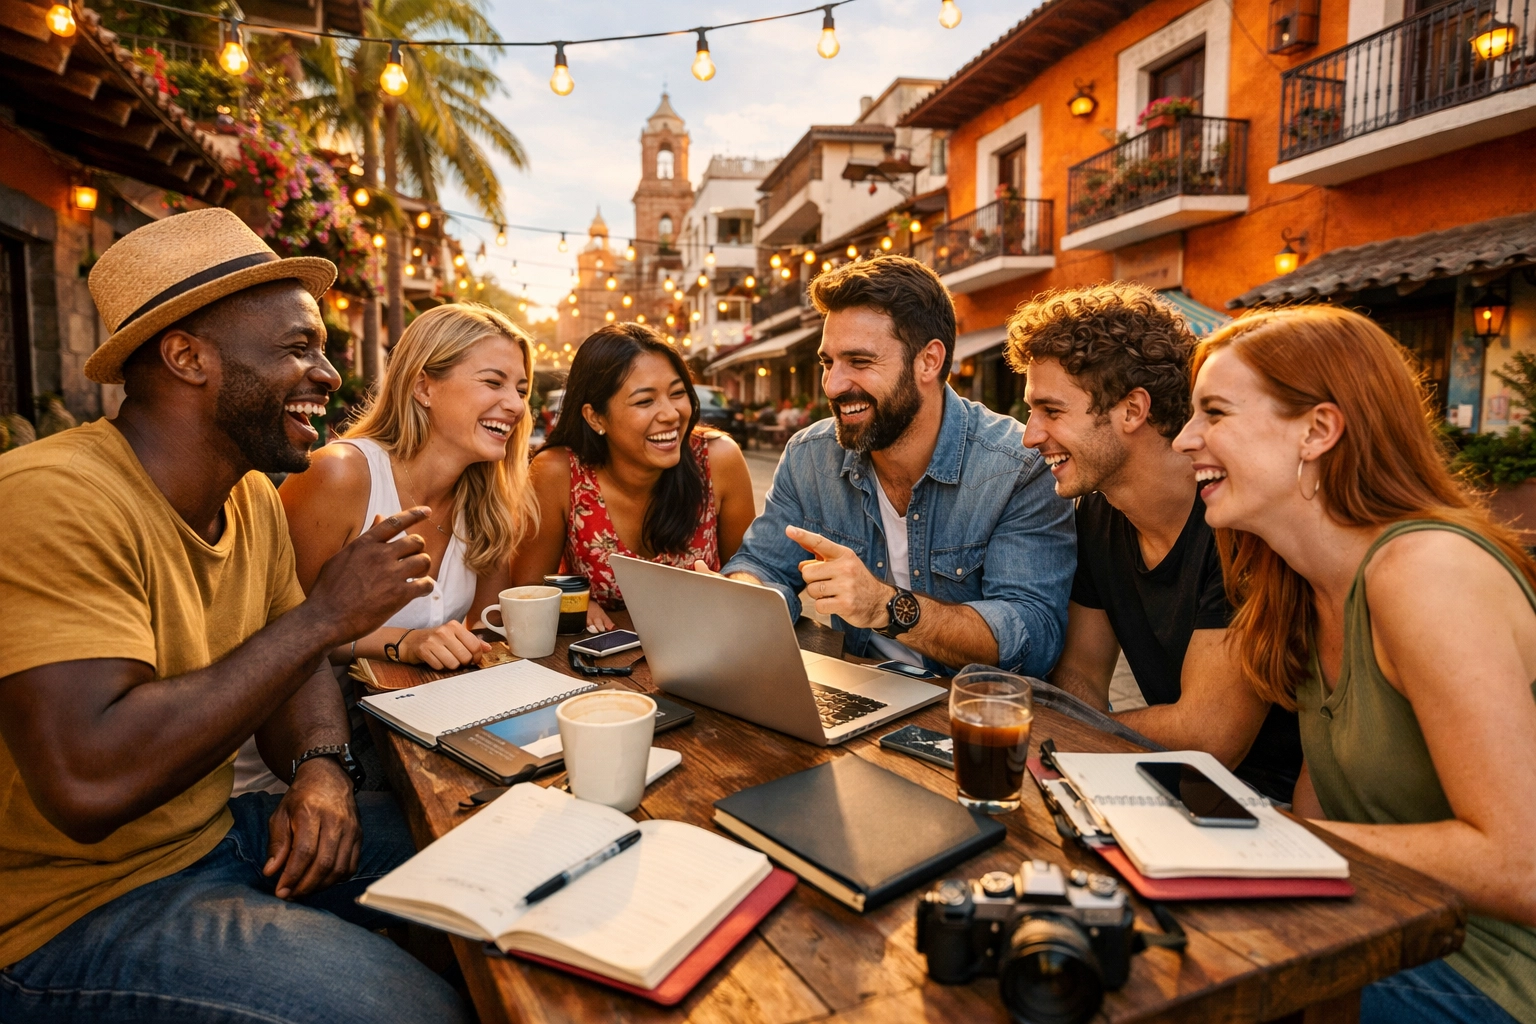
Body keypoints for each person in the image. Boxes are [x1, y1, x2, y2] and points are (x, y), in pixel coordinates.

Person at [0, 209, 468, 1023]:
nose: (328, 374)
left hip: (219, 838)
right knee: (413, 1012)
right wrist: (325, 618)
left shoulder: (248, 492)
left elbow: (297, 672)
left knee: (494, 862)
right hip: (70, 913)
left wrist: (321, 768)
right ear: (188, 357)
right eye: (297, 348)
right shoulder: (52, 499)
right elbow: (88, 780)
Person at [1174, 305, 1536, 1024]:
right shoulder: (1305, 590)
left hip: (1495, 975)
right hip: (1379, 938)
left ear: (1318, 430)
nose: (1186, 440)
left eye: (1214, 411)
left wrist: (1261, 837)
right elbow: (1324, 822)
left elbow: (1521, 864)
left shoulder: (1425, 572)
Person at [1008, 284, 1301, 803]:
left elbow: (1210, 736)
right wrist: (1078, 742)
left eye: (1051, 410)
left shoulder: (1235, 523)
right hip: (1155, 781)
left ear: (1131, 410)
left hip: (1263, 806)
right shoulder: (1100, 512)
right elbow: (1080, 673)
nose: (1031, 436)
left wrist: (1066, 741)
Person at [718, 255, 1074, 675]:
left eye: (860, 362)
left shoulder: (1016, 466)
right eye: (828, 362)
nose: (833, 385)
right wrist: (742, 593)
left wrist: (886, 607)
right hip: (857, 693)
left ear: (929, 361)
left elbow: (1033, 637)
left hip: (966, 713)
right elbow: (760, 564)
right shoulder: (809, 456)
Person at [279, 303, 539, 670]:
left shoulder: (488, 503)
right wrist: (404, 643)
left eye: (522, 390)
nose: (515, 405)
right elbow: (279, 631)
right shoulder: (339, 475)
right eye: (493, 382)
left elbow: (485, 632)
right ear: (423, 387)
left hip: (426, 711)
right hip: (330, 715)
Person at [513, 321, 755, 629]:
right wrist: (568, 604)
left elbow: (749, 574)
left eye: (678, 393)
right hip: (594, 661)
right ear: (595, 417)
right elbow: (526, 591)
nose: (670, 414)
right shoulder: (557, 472)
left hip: (706, 653)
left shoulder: (719, 460)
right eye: (645, 401)